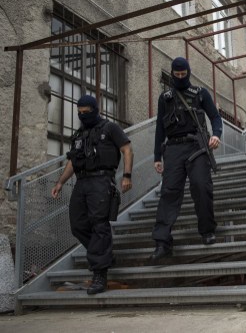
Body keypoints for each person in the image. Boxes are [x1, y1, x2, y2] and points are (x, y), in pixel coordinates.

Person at [51, 95, 133, 295]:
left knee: (99, 224)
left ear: (95, 110)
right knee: (77, 225)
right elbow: (72, 161)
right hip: (81, 182)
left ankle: (100, 275)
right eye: (79, 113)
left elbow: (127, 149)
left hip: (101, 180)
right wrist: (60, 182)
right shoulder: (79, 134)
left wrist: (127, 175)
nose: (82, 116)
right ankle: (104, 254)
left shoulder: (110, 128)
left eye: (86, 112)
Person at [149, 57, 222, 262]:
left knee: (201, 185)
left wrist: (216, 134)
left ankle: (207, 230)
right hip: (172, 148)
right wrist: (157, 156)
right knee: (169, 192)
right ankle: (162, 242)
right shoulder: (166, 97)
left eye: (183, 75)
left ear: (188, 73)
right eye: (176, 75)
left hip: (197, 147)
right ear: (172, 74)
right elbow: (160, 128)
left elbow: (215, 117)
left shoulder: (200, 93)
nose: (180, 78)